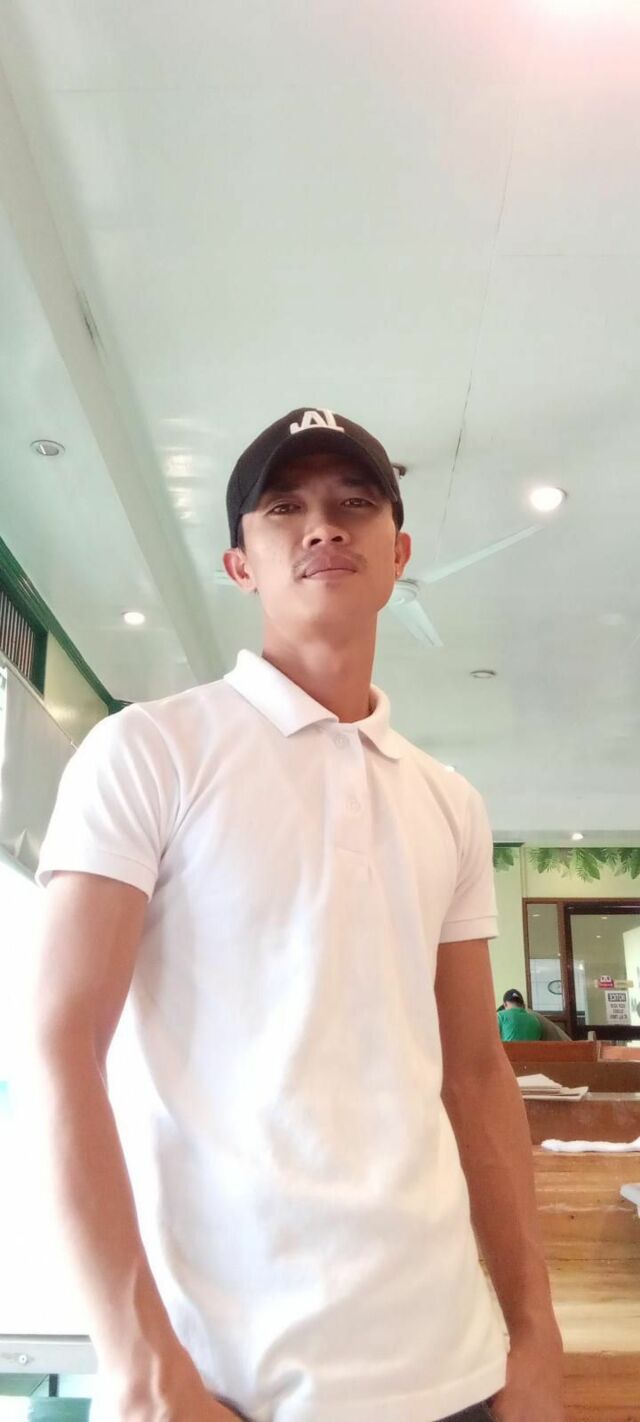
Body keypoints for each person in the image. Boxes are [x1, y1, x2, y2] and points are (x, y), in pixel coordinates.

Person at [32, 408, 564, 1422]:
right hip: (226, 1383)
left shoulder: (449, 801)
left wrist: (534, 1330)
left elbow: (475, 1072)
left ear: (399, 553)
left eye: (355, 502)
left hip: (453, 1368)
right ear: (241, 564)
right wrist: (140, 1363)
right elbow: (61, 1049)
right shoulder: (149, 752)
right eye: (284, 507)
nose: (323, 524)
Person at [499, 989, 570, 1042]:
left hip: (511, 1055)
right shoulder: (534, 1019)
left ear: (505, 1004)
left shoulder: (501, 1015)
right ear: (523, 1005)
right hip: (565, 1045)